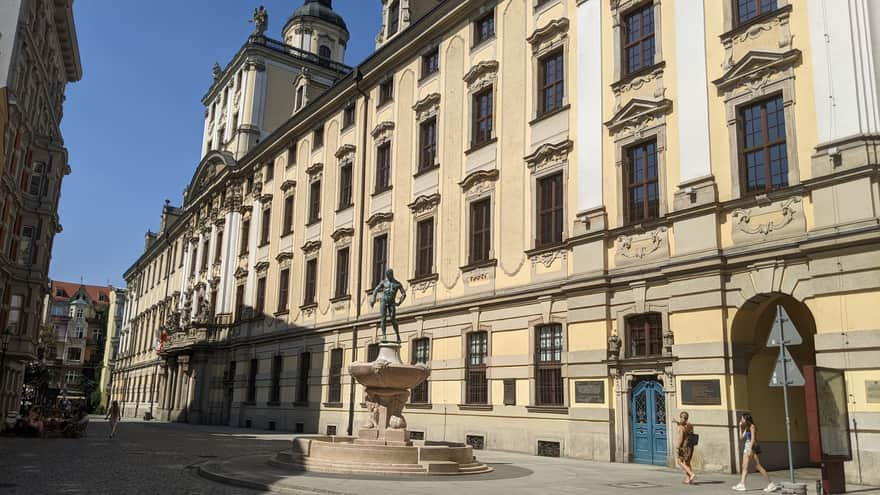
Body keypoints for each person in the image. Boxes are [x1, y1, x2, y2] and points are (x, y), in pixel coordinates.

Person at [733, 413, 778, 492]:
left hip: (751, 447)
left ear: (746, 419)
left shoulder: (752, 426)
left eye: (742, 418)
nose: (741, 420)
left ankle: (771, 484)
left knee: (758, 466)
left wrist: (750, 449)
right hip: (746, 447)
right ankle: (742, 484)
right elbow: (741, 438)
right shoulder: (747, 428)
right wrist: (740, 427)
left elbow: (753, 439)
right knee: (744, 466)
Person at [675, 411, 697, 484]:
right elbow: (683, 424)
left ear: (681, 417)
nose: (680, 419)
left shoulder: (681, 428)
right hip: (690, 446)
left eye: (681, 418)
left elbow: (681, 438)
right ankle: (689, 479)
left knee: (679, 461)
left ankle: (691, 474)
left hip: (683, 447)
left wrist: (677, 447)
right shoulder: (690, 426)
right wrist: (677, 422)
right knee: (687, 462)